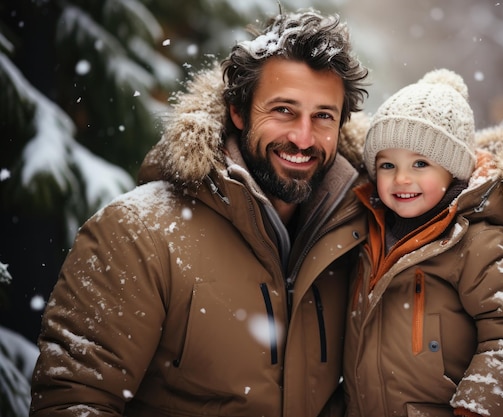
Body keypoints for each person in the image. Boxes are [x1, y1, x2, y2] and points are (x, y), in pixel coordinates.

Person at [29, 8, 369, 417]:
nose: (302, 137)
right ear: (238, 112)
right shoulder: (138, 232)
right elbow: (73, 401)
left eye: (323, 117)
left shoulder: (358, 235)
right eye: (283, 110)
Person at [342, 69, 503, 417]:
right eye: (388, 164)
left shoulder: (477, 241)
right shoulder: (367, 232)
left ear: (453, 171)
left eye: (420, 163)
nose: (402, 178)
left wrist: (476, 406)